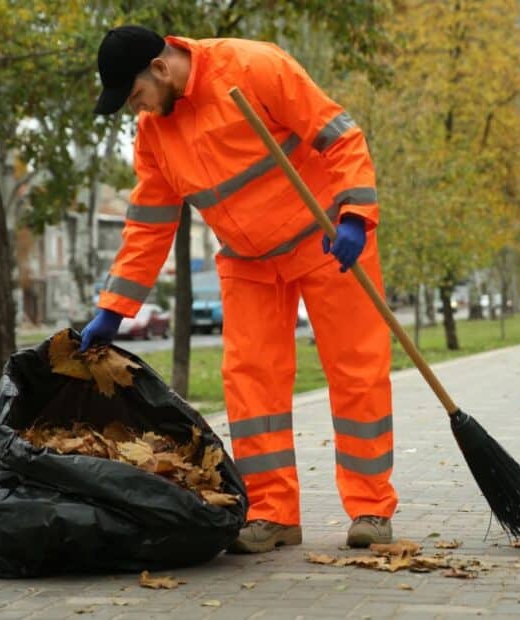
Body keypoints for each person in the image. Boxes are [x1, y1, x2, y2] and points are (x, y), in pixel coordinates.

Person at [80, 26, 397, 553]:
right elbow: (149, 224)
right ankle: (274, 514)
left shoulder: (254, 67)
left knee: (356, 370)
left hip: (327, 240)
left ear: (160, 69)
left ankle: (370, 508)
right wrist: (115, 308)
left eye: (136, 95)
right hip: (248, 260)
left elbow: (340, 135)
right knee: (251, 384)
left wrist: (355, 216)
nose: (138, 108)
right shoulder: (155, 132)